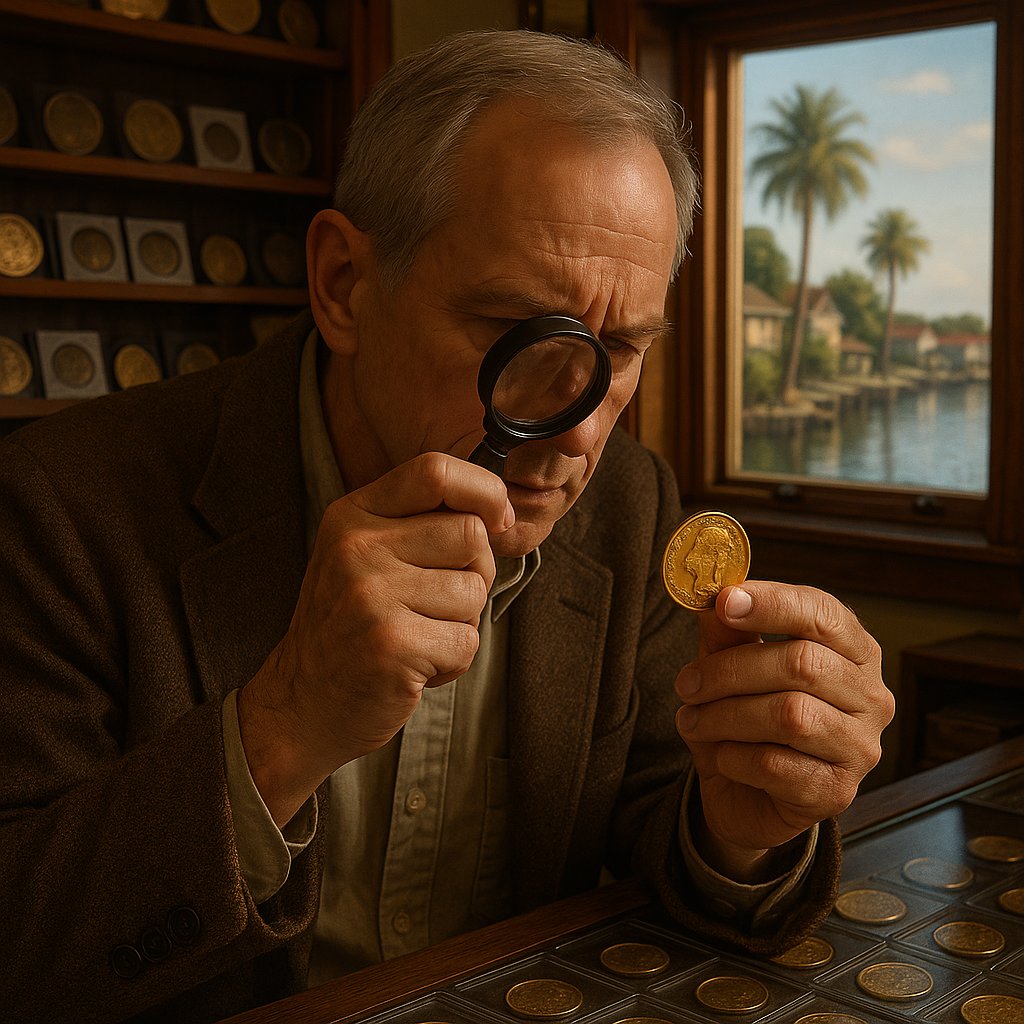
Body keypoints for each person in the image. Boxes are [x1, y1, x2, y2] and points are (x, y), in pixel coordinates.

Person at [0, 29, 894, 1024]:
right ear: (343, 283)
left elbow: (663, 822)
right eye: (518, 330)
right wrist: (277, 731)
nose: (578, 424)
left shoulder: (629, 502)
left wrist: (740, 833)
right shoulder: (59, 504)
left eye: (624, 347)